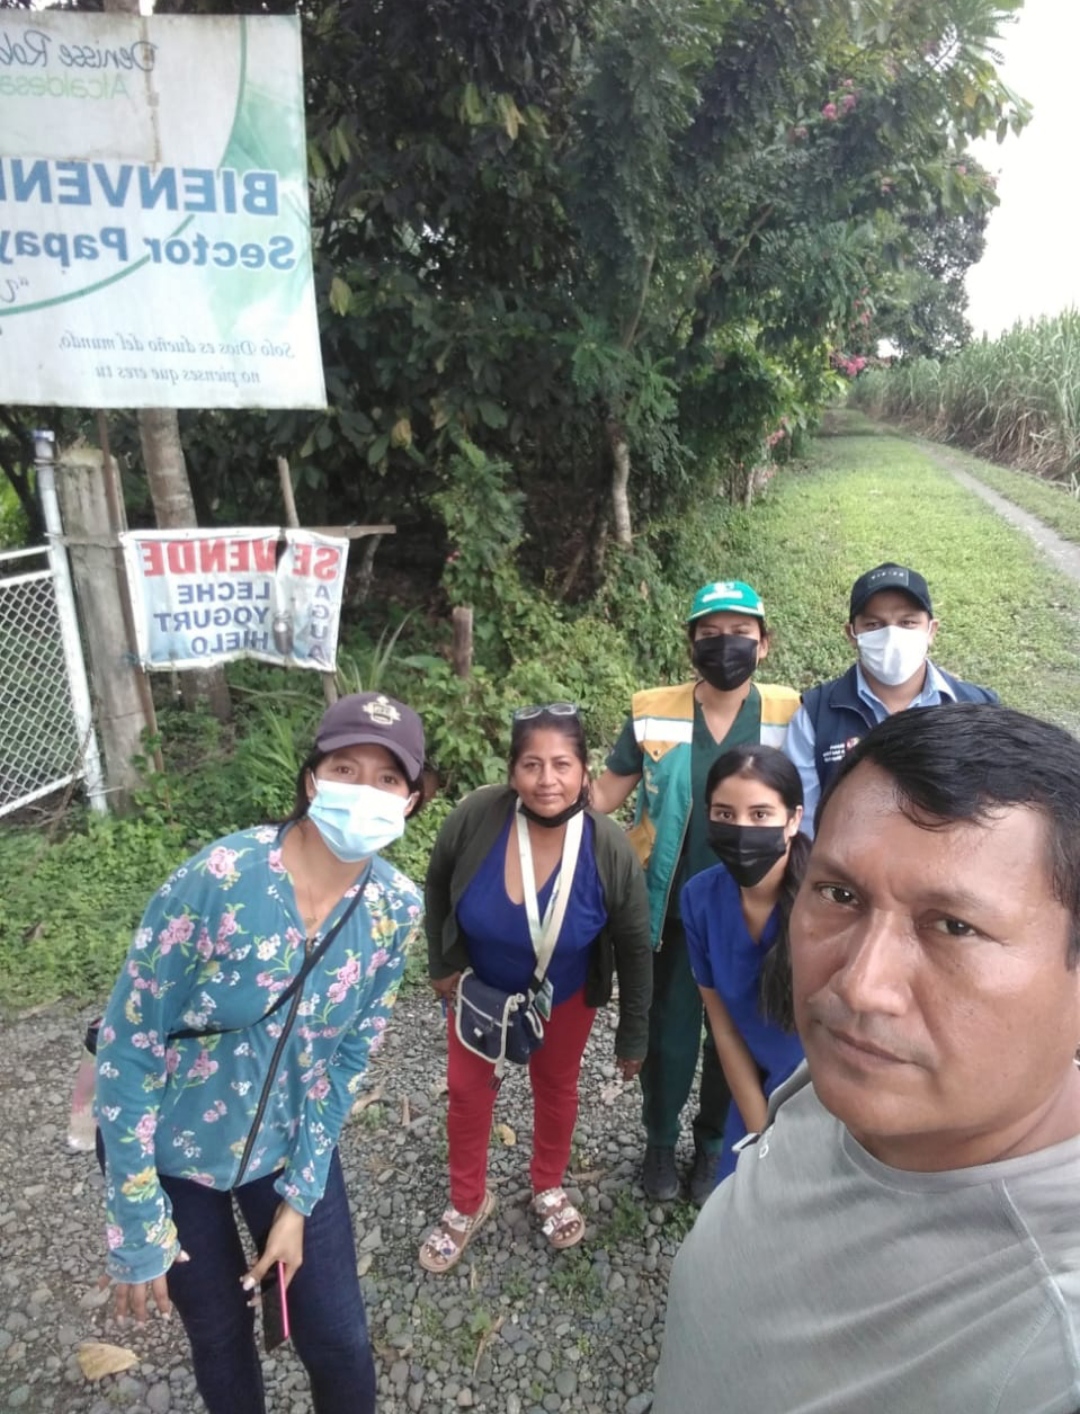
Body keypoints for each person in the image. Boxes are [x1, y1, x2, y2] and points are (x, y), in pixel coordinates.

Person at [652, 703, 1080, 1413]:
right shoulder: (846, 1077)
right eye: (840, 893)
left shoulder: (1050, 1345)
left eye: (954, 926)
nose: (859, 985)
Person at [94, 692, 426, 1414]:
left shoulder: (395, 910)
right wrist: (138, 1217)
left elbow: (347, 1061)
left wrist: (300, 1199)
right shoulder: (219, 879)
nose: (364, 790)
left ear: (411, 801)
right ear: (312, 779)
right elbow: (128, 1045)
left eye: (387, 778)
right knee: (219, 1337)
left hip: (287, 1148)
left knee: (338, 1340)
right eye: (345, 768)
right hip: (173, 1156)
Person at [420, 703, 653, 1273]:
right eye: (531, 765)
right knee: (467, 1092)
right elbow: (438, 881)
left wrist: (634, 1035)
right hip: (479, 993)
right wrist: (441, 962)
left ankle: (548, 1183)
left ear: (584, 772)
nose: (547, 780)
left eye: (561, 764)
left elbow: (634, 947)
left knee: (556, 1087)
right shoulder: (478, 817)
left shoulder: (608, 847)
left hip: (564, 997)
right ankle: (466, 1201)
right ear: (511, 771)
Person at [591, 580, 799, 1202]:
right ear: (690, 645)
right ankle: (660, 1141)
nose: (724, 645)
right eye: (709, 634)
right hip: (676, 906)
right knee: (670, 1032)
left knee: (742, 1029)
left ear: (763, 644)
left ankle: (714, 1144)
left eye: (739, 633)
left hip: (761, 908)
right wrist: (541, 791)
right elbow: (603, 796)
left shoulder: (792, 711)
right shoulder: (653, 710)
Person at [784, 561, 998, 833]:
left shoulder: (980, 710)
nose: (891, 635)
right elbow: (802, 823)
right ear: (852, 634)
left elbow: (996, 812)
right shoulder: (815, 716)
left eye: (908, 622)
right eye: (874, 624)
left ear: (931, 630)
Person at [680, 745, 807, 1186]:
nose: (741, 830)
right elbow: (725, 1030)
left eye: (760, 814)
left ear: (793, 819)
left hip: (832, 1103)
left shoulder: (833, 904)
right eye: (725, 814)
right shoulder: (700, 899)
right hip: (757, 1094)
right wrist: (761, 1132)